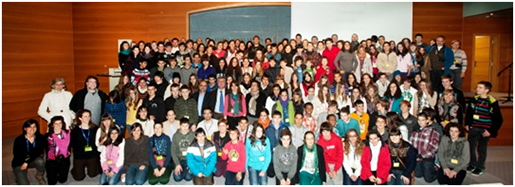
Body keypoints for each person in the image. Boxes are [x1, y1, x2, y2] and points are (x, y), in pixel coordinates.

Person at [465, 81, 503, 176]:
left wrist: (491, 131)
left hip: (484, 130)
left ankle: (480, 166)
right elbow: (469, 113)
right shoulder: (474, 100)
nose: (477, 89)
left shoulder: (492, 102)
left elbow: (499, 119)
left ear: (487, 90)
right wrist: (467, 124)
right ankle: (472, 164)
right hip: (474, 128)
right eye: (477, 87)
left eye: (480, 88)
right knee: (471, 147)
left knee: (482, 149)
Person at [13, 119, 47, 185]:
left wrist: (27, 162)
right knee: (24, 184)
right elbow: (17, 155)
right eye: (29, 127)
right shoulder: (19, 140)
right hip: (20, 162)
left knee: (40, 161)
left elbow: (38, 152)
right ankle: (18, 177)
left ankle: (39, 176)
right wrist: (25, 162)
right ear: (25, 128)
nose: (32, 129)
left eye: (34, 126)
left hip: (30, 160)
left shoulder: (40, 138)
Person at [70, 109, 101, 181]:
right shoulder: (75, 130)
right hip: (80, 156)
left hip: (92, 155)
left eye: (89, 116)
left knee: (93, 174)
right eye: (85, 116)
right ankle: (75, 168)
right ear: (80, 118)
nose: (88, 118)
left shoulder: (95, 128)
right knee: (79, 178)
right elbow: (72, 144)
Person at [410, 113, 440, 183]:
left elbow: (434, 147)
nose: (420, 122)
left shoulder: (432, 131)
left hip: (427, 158)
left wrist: (422, 155)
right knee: (418, 175)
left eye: (423, 120)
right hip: (417, 157)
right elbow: (412, 143)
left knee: (428, 179)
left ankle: (437, 169)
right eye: (419, 120)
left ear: (427, 120)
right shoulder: (415, 131)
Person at [45, 116, 71, 185]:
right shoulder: (48, 136)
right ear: (52, 125)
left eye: (60, 123)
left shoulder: (67, 133)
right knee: (52, 183)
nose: (58, 125)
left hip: (64, 158)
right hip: (52, 159)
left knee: (62, 180)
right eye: (56, 123)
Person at [171, 118, 195, 182]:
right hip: (179, 159)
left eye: (186, 126)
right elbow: (173, 151)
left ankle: (185, 171)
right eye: (183, 126)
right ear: (180, 126)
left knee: (188, 178)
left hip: (189, 159)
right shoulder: (175, 136)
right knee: (177, 178)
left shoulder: (193, 135)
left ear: (189, 126)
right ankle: (181, 169)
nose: (185, 128)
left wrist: (191, 163)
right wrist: (177, 164)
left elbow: (195, 150)